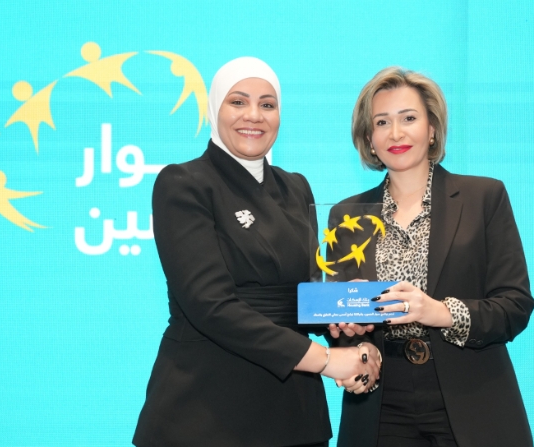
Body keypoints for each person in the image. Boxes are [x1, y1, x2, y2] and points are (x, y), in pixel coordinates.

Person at [132, 57, 380, 447]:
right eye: (238, 101)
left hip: (294, 413)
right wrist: (327, 360)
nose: (254, 115)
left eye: (267, 104)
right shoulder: (183, 182)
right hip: (205, 411)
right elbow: (210, 305)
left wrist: (349, 321)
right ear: (215, 108)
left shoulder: (296, 186)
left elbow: (301, 296)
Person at [327, 67, 534, 447]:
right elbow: (337, 324)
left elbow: (515, 306)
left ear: (433, 129)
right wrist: (353, 341)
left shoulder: (483, 198)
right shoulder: (347, 215)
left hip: (470, 395)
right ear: (369, 139)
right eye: (382, 122)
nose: (396, 133)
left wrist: (438, 311)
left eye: (409, 118)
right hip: (380, 402)